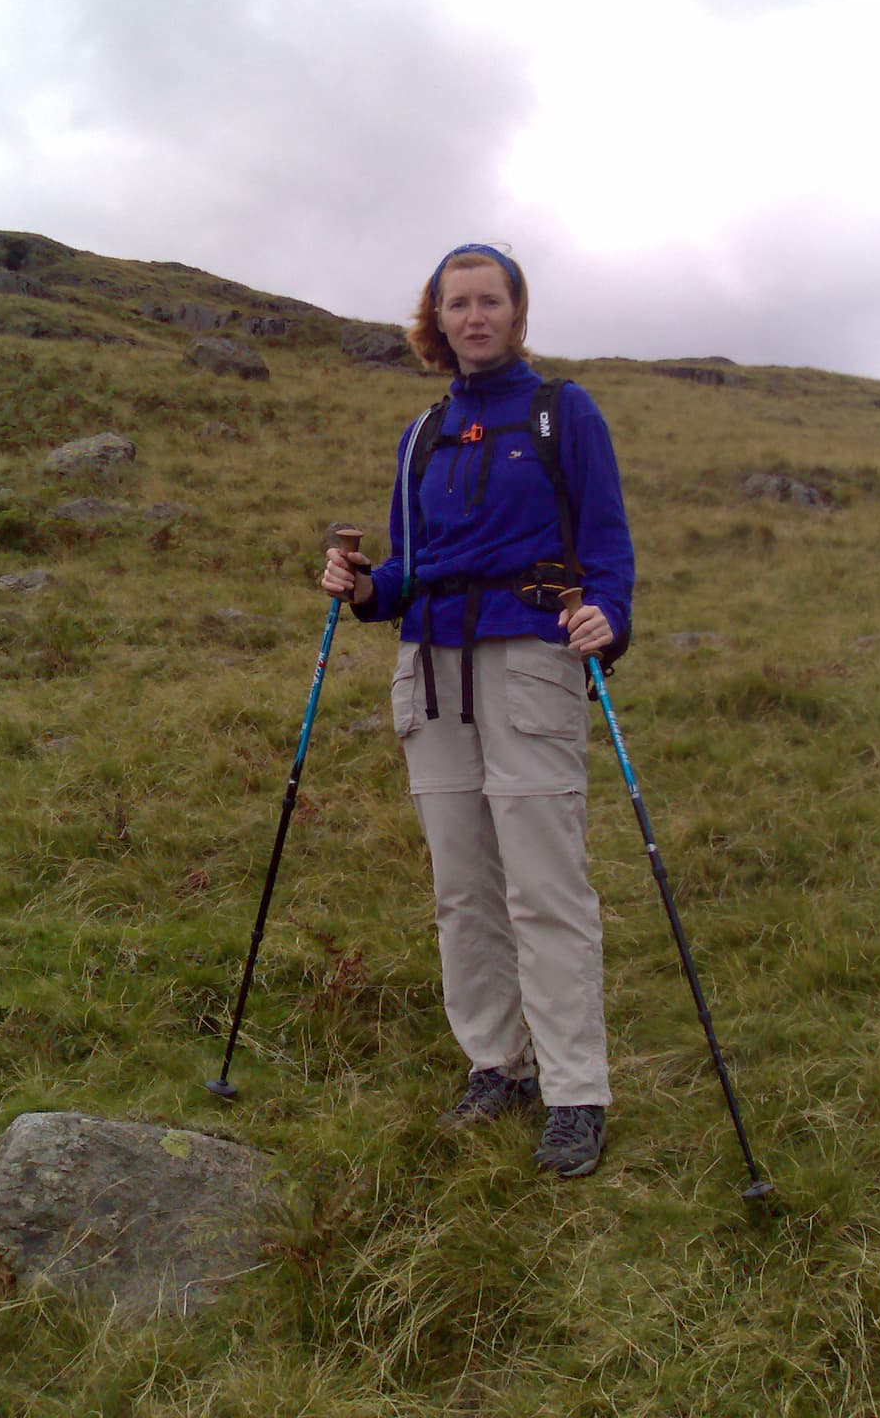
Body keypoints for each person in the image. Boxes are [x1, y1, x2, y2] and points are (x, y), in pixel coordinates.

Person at [322, 243, 634, 1177]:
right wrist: (364, 587)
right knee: (463, 888)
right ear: (438, 318)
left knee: (545, 885)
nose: (474, 317)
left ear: (516, 311)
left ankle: (575, 1091)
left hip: (530, 660)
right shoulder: (421, 434)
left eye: (489, 300)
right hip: (430, 665)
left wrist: (606, 617)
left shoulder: (561, 413)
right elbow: (411, 565)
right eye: (456, 303)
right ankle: (496, 1065)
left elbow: (608, 542)